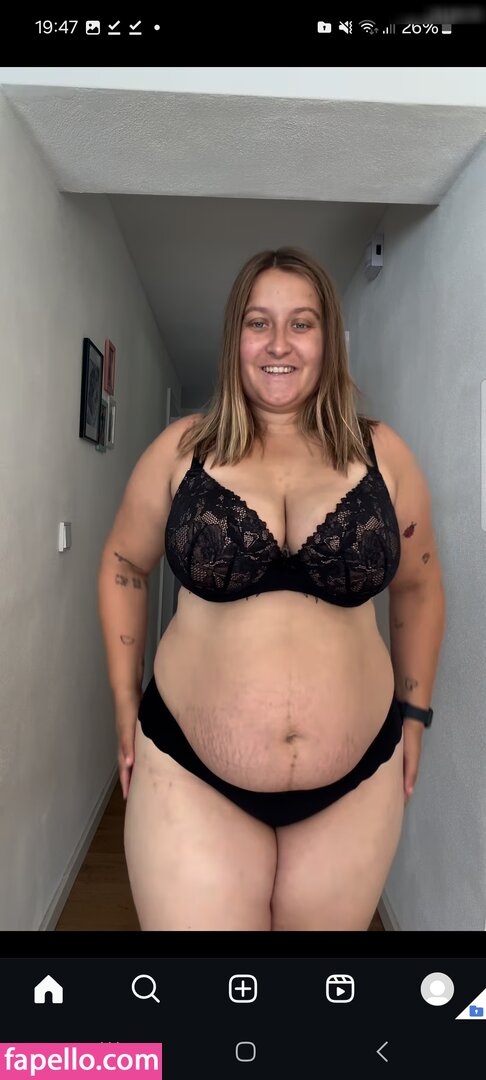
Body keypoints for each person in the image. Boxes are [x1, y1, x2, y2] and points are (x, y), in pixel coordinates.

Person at [97, 246, 446, 931]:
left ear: (328, 339)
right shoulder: (181, 450)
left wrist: (415, 712)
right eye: (259, 322)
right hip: (190, 776)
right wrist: (122, 698)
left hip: (356, 785)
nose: (279, 344)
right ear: (235, 337)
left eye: (301, 323)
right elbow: (124, 563)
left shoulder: (383, 454)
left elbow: (420, 585)